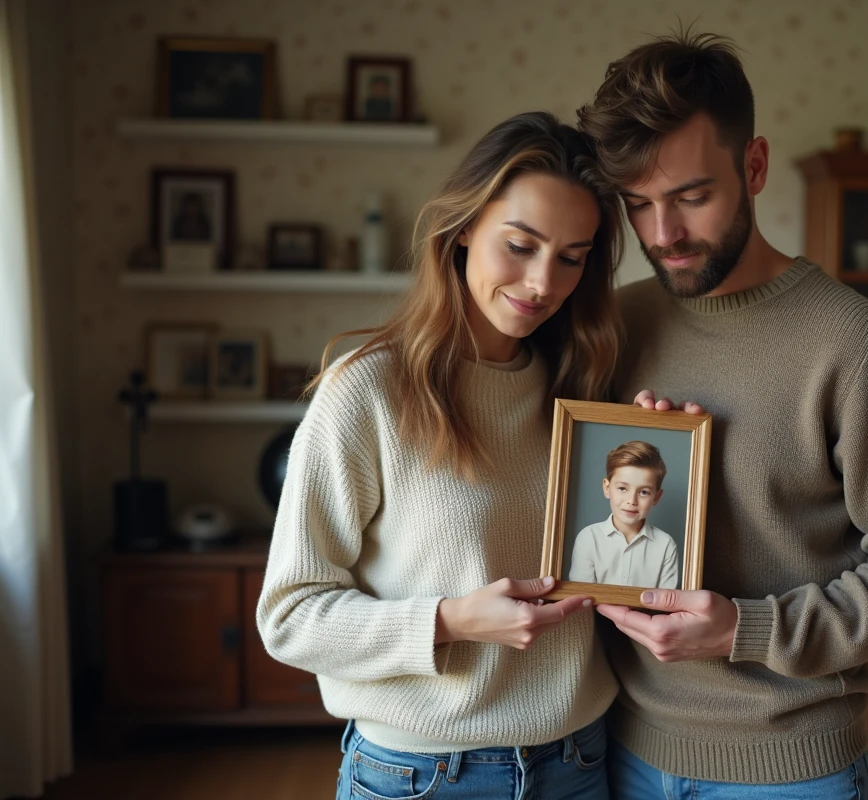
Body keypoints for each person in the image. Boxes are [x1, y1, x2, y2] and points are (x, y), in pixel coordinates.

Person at [577, 31, 868, 799]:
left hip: (792, 770)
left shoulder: (856, 344)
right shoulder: (614, 325)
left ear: (753, 166)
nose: (662, 236)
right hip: (620, 754)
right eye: (638, 205)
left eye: (692, 197)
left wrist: (743, 630)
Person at [256, 111, 625, 800]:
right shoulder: (366, 390)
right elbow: (289, 618)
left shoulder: (584, 393)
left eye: (571, 257)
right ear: (461, 233)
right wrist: (449, 621)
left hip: (578, 763)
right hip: (422, 775)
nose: (544, 281)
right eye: (520, 244)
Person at [568, 440, 679, 590]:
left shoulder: (665, 545)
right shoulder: (588, 538)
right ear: (607, 488)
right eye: (622, 488)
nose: (631, 501)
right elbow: (580, 595)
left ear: (656, 497)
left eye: (643, 492)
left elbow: (665, 601)